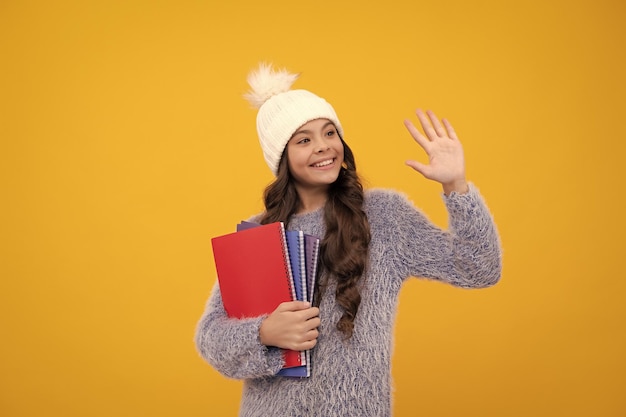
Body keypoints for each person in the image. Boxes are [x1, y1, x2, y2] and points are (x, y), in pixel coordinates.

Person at [195, 62, 502, 417]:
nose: (324, 147)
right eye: (304, 140)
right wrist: (263, 332)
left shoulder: (384, 216)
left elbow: (479, 268)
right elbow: (211, 337)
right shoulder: (260, 233)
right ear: (282, 157)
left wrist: (456, 186)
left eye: (330, 133)